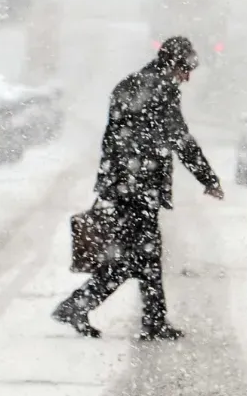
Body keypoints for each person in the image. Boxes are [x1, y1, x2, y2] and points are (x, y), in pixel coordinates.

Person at [52, 36, 223, 340]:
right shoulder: (161, 91)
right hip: (140, 187)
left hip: (125, 184)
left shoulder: (130, 84)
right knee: (139, 256)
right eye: (186, 68)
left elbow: (111, 136)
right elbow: (180, 140)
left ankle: (147, 319)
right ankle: (82, 306)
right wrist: (207, 178)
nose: (187, 76)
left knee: (142, 256)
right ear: (174, 64)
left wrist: (109, 179)